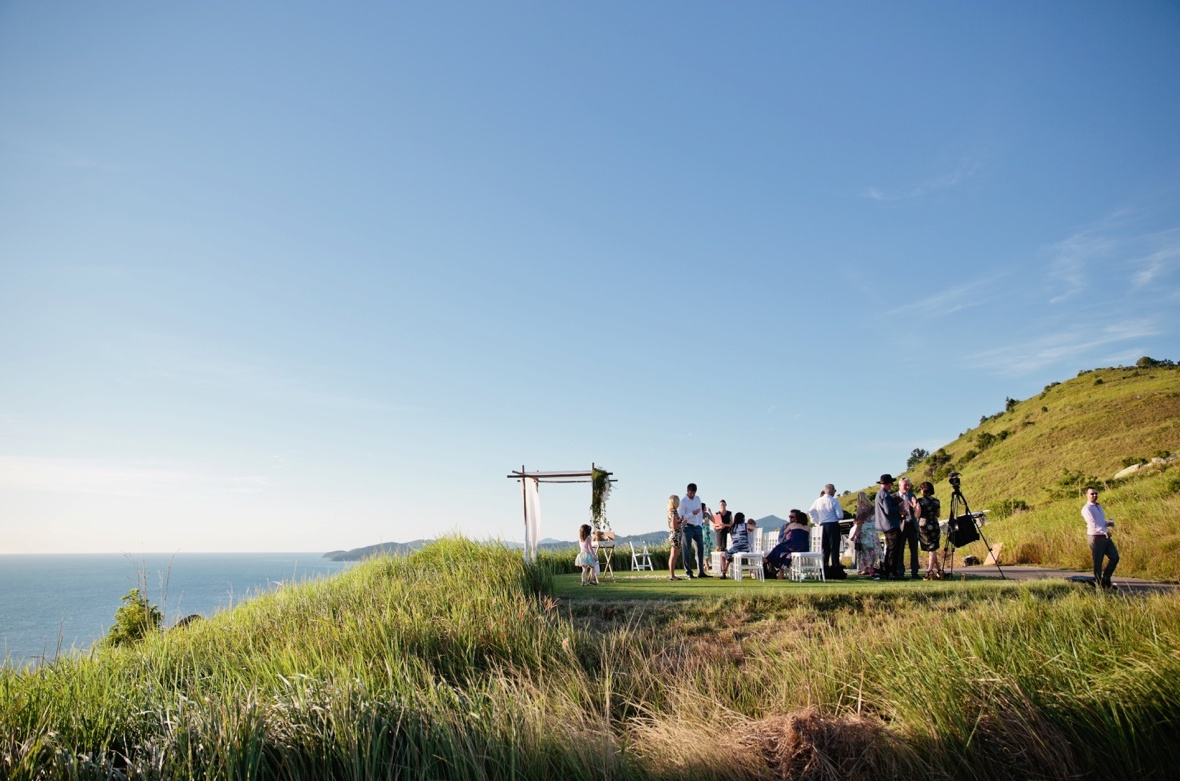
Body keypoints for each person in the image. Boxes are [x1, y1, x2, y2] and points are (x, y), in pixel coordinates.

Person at [1082, 486, 1118, 590]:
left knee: (1115, 557)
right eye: (1092, 494)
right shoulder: (1086, 509)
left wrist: (1108, 523)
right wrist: (1104, 531)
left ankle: (1106, 578)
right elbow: (1092, 523)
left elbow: (1100, 522)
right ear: (1087, 495)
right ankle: (1099, 584)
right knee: (1098, 561)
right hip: (1095, 537)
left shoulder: (1098, 506)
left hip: (1104, 536)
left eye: (1096, 493)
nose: (1094, 495)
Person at [809, 483, 844, 573]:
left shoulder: (818, 501)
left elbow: (811, 511)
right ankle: (835, 565)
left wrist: (816, 520)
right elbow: (840, 515)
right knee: (834, 547)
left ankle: (824, 566)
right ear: (832, 491)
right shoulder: (834, 501)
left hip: (822, 525)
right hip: (832, 524)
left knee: (825, 547)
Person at [678, 483, 710, 578]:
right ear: (687, 491)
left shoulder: (697, 499)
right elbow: (681, 517)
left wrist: (700, 525)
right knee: (687, 549)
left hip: (697, 527)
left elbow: (700, 514)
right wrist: (692, 513)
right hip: (687, 527)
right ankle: (689, 573)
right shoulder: (683, 502)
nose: (692, 495)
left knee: (700, 549)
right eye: (691, 493)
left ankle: (701, 572)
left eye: (694, 493)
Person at [765, 509, 811, 577]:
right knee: (784, 553)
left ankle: (767, 560)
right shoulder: (807, 527)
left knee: (778, 547)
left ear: (797, 518)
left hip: (794, 546)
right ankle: (778, 573)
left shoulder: (793, 525)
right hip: (804, 547)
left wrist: (784, 540)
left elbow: (785, 532)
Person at [874, 474, 903, 580]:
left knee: (890, 549)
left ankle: (887, 571)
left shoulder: (879, 494)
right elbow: (888, 510)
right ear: (888, 484)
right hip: (890, 525)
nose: (892, 485)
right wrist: (897, 507)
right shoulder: (885, 495)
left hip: (884, 525)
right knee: (893, 550)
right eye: (891, 483)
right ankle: (892, 572)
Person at [917, 481, 944, 580]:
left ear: (923, 490)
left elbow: (917, 515)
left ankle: (929, 571)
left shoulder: (920, 501)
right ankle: (939, 570)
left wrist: (913, 506)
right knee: (933, 548)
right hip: (935, 525)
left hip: (924, 526)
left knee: (931, 549)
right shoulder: (936, 501)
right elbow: (938, 514)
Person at [852, 491, 882, 575]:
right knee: (873, 550)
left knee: (864, 550)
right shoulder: (872, 508)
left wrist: (855, 534)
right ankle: (872, 567)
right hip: (873, 530)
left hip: (865, 530)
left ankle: (865, 568)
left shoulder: (860, 508)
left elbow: (859, 522)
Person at [896, 477, 920, 579]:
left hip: (911, 524)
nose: (907, 487)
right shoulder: (894, 497)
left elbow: (917, 513)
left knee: (914, 549)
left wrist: (915, 506)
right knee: (900, 549)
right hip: (901, 525)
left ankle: (915, 572)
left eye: (908, 485)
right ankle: (900, 571)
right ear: (899, 486)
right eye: (905, 485)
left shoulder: (912, 496)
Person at [719, 513, 754, 578]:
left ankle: (723, 572)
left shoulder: (732, 527)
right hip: (745, 548)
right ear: (742, 519)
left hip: (735, 548)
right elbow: (753, 527)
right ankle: (724, 571)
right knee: (728, 554)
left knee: (722, 555)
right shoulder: (745, 525)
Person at [666, 495, 684, 581]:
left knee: (674, 555)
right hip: (675, 535)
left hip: (675, 535)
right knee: (673, 555)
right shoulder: (673, 512)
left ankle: (672, 575)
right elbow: (674, 525)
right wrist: (682, 522)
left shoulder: (671, 512)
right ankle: (672, 575)